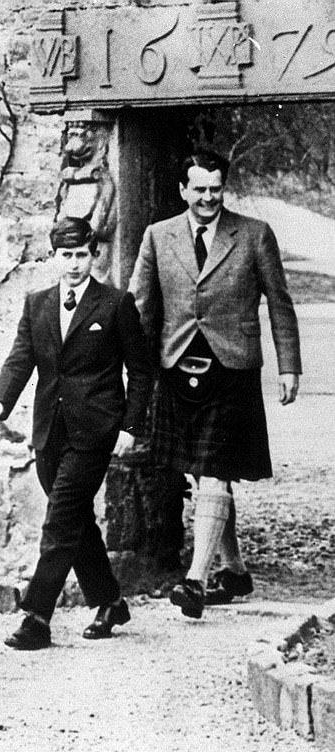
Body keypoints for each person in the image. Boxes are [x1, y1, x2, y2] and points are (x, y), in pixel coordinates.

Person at [128, 149, 301, 619]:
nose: (208, 198)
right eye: (199, 189)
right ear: (183, 190)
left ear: (224, 188)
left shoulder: (253, 235)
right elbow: (138, 307)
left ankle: (195, 581)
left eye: (215, 189)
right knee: (203, 472)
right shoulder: (157, 236)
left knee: (214, 468)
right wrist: (132, 371)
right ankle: (235, 569)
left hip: (233, 368)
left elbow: (280, 303)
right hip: (176, 366)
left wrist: (290, 366)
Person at [0, 216, 152, 649]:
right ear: (54, 256)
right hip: (49, 430)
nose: (75, 264)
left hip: (94, 430)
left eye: (82, 254)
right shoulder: (37, 303)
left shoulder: (115, 304)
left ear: (94, 255)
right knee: (76, 520)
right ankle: (110, 600)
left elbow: (140, 370)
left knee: (60, 518)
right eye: (67, 255)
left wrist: (130, 426)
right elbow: (20, 358)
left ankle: (36, 616)